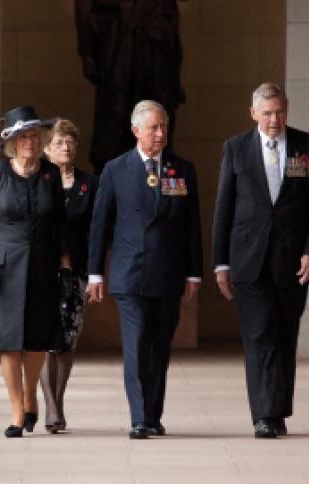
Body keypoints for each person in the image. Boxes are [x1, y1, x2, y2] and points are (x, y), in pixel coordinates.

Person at [212, 83, 309, 438]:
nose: (274, 119)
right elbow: (224, 208)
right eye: (267, 113)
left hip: (294, 262)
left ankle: (277, 410)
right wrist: (221, 263)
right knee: (259, 333)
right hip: (249, 260)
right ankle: (263, 414)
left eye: (279, 111)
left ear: (287, 109)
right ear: (253, 114)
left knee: (284, 336)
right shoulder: (235, 149)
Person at [87, 100, 202, 439]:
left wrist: (194, 272)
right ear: (136, 130)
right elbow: (99, 225)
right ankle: (139, 417)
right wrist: (95, 273)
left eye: (164, 126)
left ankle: (153, 414)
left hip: (168, 273)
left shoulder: (182, 169)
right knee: (137, 344)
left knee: (160, 346)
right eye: (154, 128)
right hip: (130, 274)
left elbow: (192, 226)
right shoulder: (115, 170)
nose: (161, 133)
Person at [0, 105, 66, 438]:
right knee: (8, 342)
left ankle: (29, 391)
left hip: (42, 266)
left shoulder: (51, 175)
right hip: (4, 268)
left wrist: (65, 265)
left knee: (36, 339)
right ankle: (17, 411)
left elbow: (60, 225)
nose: (31, 143)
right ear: (12, 142)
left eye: (36, 136)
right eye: (24, 137)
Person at [38, 119, 98, 433]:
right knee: (45, 338)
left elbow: (97, 229)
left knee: (68, 339)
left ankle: (58, 400)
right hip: (42, 270)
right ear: (47, 148)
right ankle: (50, 406)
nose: (66, 147)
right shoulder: (38, 180)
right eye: (59, 142)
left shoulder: (89, 183)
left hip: (77, 270)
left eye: (70, 142)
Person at [74, 0, 184, 173]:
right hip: (116, 43)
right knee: (114, 121)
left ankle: (156, 184)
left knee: (157, 118)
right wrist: (86, 48)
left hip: (155, 40)